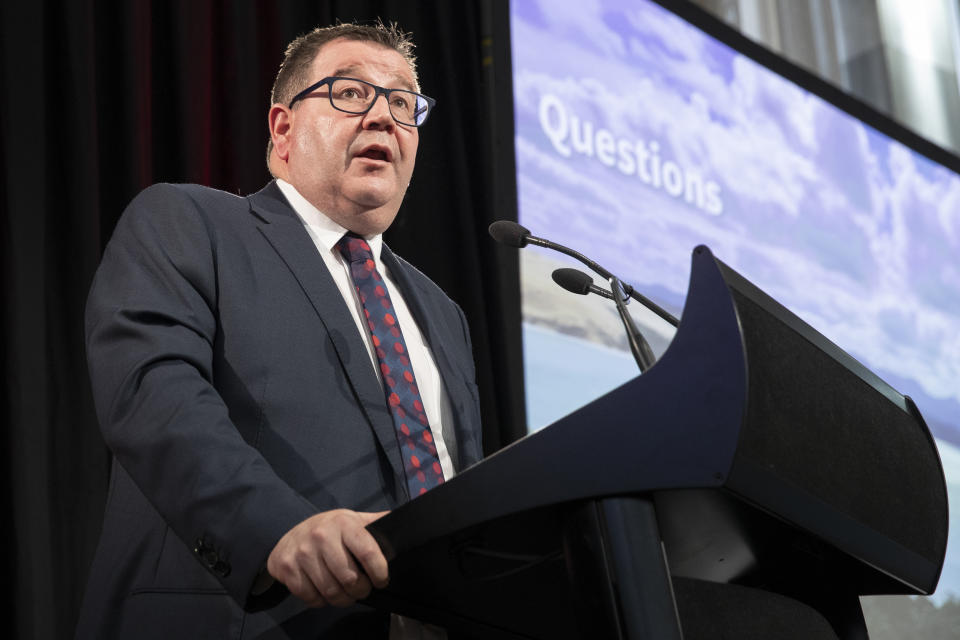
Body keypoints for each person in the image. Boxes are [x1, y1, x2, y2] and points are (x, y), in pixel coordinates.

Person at [76, 20, 483, 639]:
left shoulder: (442, 312)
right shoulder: (190, 223)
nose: (382, 119)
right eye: (350, 93)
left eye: (402, 104)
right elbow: (154, 398)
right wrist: (277, 528)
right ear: (283, 128)